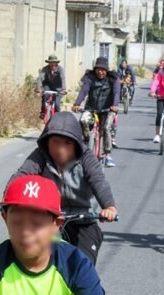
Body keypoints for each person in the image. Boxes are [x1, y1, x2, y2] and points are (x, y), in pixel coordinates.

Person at [0, 175, 105, 295]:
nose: (25, 232)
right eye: (17, 221)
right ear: (5, 218)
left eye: (37, 223)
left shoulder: (75, 264)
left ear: (56, 224)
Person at [8, 112, 118, 265]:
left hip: (84, 220)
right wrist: (9, 198)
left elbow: (98, 181)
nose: (60, 149)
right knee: (36, 258)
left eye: (68, 143)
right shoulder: (41, 156)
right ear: (47, 142)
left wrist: (109, 207)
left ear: (77, 144)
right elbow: (22, 175)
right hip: (51, 221)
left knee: (84, 266)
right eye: (56, 142)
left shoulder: (86, 157)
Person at [73, 57, 121, 168]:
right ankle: (86, 142)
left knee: (106, 128)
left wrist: (115, 105)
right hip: (91, 108)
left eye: (103, 69)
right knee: (83, 120)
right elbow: (84, 91)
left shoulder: (113, 78)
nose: (100, 72)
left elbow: (116, 92)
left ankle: (108, 155)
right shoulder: (90, 78)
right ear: (95, 69)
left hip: (108, 109)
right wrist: (77, 103)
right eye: (98, 69)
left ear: (107, 70)